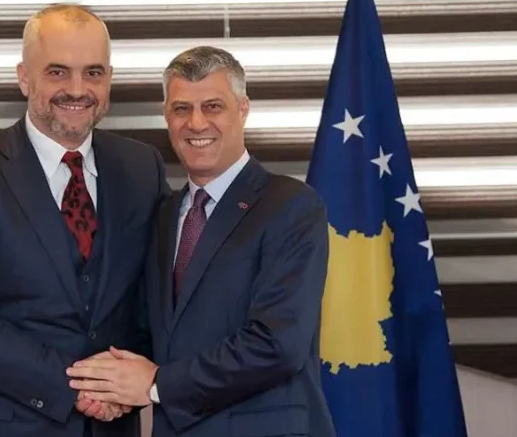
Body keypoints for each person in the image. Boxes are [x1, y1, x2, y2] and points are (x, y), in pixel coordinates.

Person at [0, 4, 168, 437]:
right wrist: (77, 387)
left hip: (111, 425)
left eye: (93, 73)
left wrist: (129, 382)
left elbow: (155, 298)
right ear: (23, 77)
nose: (77, 89)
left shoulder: (142, 167)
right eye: (57, 72)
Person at [66, 46, 337, 437]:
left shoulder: (290, 206)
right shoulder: (161, 216)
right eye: (181, 109)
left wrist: (157, 384)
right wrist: (109, 388)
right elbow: (147, 332)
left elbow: (278, 344)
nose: (196, 123)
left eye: (213, 106)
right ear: (166, 116)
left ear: (242, 108)